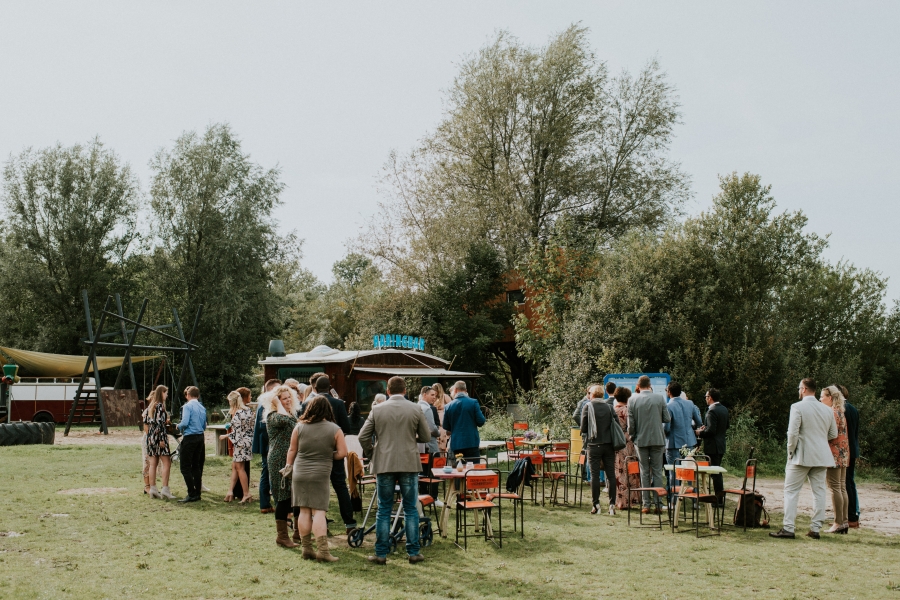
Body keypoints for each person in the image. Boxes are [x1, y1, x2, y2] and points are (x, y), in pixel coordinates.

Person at [359, 376, 431, 565]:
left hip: (384, 462)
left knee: (383, 508)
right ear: (405, 391)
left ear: (388, 391)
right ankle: (413, 552)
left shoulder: (377, 409)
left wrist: (372, 453)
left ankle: (381, 553)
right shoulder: (416, 408)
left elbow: (362, 436)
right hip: (408, 462)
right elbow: (425, 436)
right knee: (410, 509)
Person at [770, 378, 838, 540]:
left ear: (804, 389)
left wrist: (790, 451)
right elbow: (833, 434)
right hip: (821, 455)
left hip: (801, 455)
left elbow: (792, 433)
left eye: (799, 388)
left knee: (791, 491)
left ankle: (788, 527)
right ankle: (815, 528)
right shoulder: (827, 410)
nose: (799, 390)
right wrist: (820, 439)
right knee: (819, 492)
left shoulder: (797, 407)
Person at [283, 395, 348, 562]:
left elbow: (292, 450)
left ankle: (307, 549)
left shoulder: (299, 427)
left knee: (303, 510)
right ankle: (323, 552)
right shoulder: (335, 429)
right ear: (328, 410)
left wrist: (288, 466)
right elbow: (342, 453)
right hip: (320, 473)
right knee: (319, 511)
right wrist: (328, 455)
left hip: (300, 472)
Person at [308, 376, 357, 535]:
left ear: (314, 387)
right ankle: (349, 523)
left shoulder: (307, 404)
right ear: (330, 387)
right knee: (341, 488)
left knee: (317, 489)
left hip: (314, 453)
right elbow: (347, 427)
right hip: (335, 451)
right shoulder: (338, 403)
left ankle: (320, 523)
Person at [627, 375, 671, 513]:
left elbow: (631, 424)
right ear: (650, 385)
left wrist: (633, 436)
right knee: (658, 471)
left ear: (638, 386)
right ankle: (658, 503)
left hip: (641, 439)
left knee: (644, 471)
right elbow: (667, 418)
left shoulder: (632, 399)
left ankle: (646, 505)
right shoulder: (659, 398)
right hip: (658, 439)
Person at [266, 385, 302, 547]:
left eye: (289, 398)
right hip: (278, 459)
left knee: (297, 497)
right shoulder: (273, 415)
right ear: (277, 402)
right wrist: (277, 404)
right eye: (283, 399)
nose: (287, 401)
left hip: (293, 458)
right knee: (283, 497)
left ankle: (298, 533)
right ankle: (282, 536)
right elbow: (286, 421)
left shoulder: (291, 415)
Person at [581, 384, 617, 515]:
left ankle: (596, 504)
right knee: (611, 474)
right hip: (608, 444)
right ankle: (612, 504)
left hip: (593, 444)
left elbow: (584, 428)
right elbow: (616, 424)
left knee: (595, 475)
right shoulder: (609, 407)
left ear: (592, 394)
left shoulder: (588, 406)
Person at [664, 381, 702, 500]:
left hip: (673, 442)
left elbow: (666, 427)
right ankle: (690, 496)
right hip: (689, 441)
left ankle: (674, 499)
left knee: (673, 471)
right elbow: (699, 422)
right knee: (689, 470)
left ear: (669, 392)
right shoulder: (690, 404)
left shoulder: (668, 406)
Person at [821, 385, 850, 534]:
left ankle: (838, 522)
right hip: (844, 452)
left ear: (830, 398)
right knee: (841, 487)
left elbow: (831, 434)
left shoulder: (832, 412)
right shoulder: (841, 411)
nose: (820, 399)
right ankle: (844, 521)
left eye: (822, 396)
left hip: (834, 453)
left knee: (834, 487)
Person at [695, 387, 730, 507]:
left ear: (710, 397)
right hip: (721, 444)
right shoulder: (724, 409)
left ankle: (718, 500)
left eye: (706, 397)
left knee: (715, 474)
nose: (705, 399)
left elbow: (711, 431)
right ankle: (719, 498)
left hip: (712, 446)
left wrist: (700, 432)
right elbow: (726, 426)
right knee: (717, 472)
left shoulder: (711, 411)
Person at [252, 378, 281, 514]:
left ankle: (265, 504)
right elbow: (264, 426)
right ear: (271, 389)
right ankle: (268, 503)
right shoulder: (266, 403)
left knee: (266, 472)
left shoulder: (263, 401)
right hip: (269, 443)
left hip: (266, 443)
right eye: (278, 389)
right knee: (269, 473)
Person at [175, 386, 206, 503]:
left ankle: (191, 493)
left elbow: (185, 422)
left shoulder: (187, 406)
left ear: (188, 395)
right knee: (196, 466)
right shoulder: (202, 407)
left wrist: (178, 426)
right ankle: (197, 492)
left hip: (190, 437)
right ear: (197, 396)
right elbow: (204, 425)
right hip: (200, 437)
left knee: (185, 467)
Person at [143, 385, 175, 500]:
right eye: (166, 393)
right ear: (162, 393)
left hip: (150, 438)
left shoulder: (150, 406)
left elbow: (146, 422)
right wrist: (162, 439)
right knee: (167, 462)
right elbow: (160, 424)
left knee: (153, 464)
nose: (167, 395)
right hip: (159, 437)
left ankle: (153, 489)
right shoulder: (160, 406)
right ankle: (165, 489)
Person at [222, 390, 254, 503]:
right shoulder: (248, 411)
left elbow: (237, 432)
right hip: (248, 442)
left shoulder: (238, 414)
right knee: (235, 467)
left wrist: (226, 436)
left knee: (240, 469)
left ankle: (246, 493)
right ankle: (230, 491)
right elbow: (250, 428)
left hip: (240, 444)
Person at [441, 381, 486, 460]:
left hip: (456, 443)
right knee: (473, 469)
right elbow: (481, 421)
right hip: (471, 441)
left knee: (459, 468)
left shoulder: (448, 406)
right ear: (466, 390)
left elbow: (446, 426)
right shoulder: (473, 402)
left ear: (455, 390)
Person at [612, 387, 641, 511]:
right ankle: (632, 499)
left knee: (619, 472)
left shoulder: (612, 410)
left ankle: (620, 501)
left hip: (615, 443)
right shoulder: (628, 410)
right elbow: (632, 427)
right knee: (632, 470)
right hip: (628, 443)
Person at [840, 384, 860, 528]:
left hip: (845, 450)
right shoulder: (853, 409)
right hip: (853, 449)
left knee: (846, 483)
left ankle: (851, 517)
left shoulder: (842, 410)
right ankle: (851, 515)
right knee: (849, 482)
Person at [417, 386, 440, 454]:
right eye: (432, 395)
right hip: (430, 444)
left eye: (435, 395)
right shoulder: (427, 409)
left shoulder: (416, 406)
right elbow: (432, 428)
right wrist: (438, 433)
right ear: (424, 395)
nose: (434, 397)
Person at [432, 383, 450, 453]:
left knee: (443, 439)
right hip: (436, 421)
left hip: (443, 421)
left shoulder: (445, 397)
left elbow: (451, 406)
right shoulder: (433, 397)